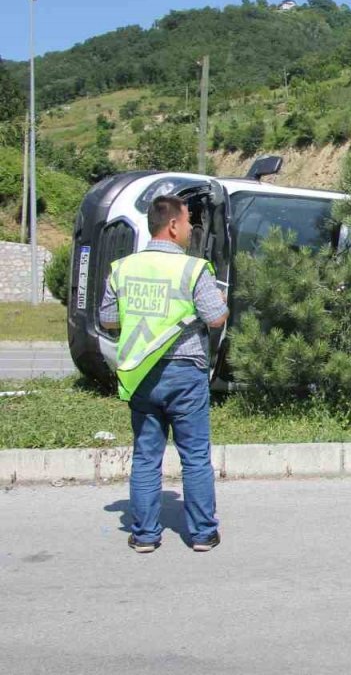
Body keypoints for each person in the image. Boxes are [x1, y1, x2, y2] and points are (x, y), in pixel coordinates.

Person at [100, 195, 229, 554]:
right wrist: (223, 304)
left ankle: (144, 536)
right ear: (172, 225)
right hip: (185, 373)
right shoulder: (192, 269)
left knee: (145, 457)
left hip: (141, 374)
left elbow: (108, 319)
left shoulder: (123, 268)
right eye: (188, 222)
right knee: (195, 456)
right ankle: (202, 534)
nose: (190, 228)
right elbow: (215, 317)